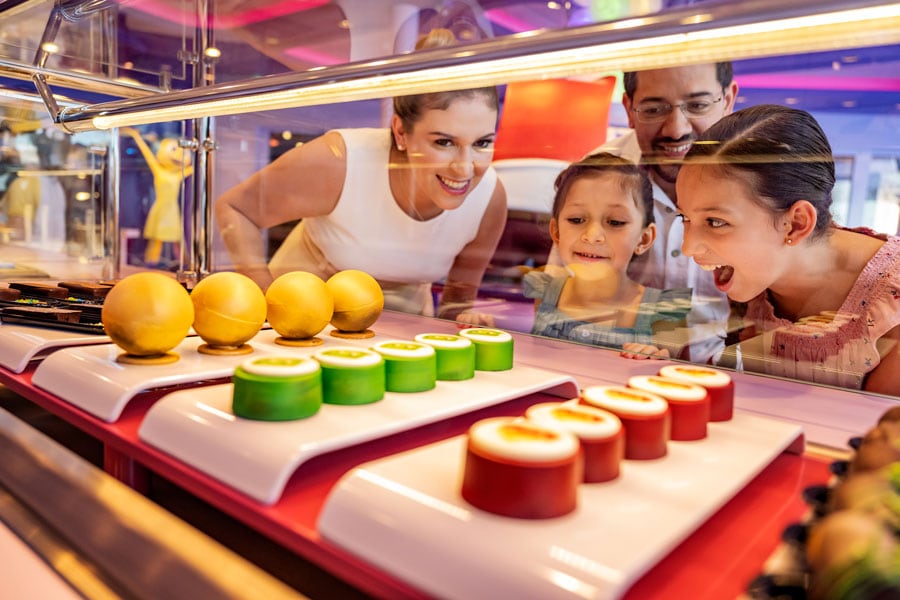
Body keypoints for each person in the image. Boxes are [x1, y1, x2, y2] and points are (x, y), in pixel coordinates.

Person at [214, 29, 507, 321]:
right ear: (401, 132)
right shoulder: (340, 160)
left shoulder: (489, 198)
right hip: (302, 315)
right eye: (444, 142)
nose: (465, 168)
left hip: (399, 332)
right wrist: (268, 304)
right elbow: (237, 210)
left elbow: (456, 303)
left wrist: (466, 318)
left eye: (482, 143)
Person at [677, 104, 900, 396]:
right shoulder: (750, 277)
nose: (688, 247)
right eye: (685, 218)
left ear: (795, 223)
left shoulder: (892, 304)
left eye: (716, 222)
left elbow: (879, 435)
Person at [523, 153, 691, 359]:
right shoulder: (544, 291)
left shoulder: (665, 313)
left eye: (615, 222)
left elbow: (681, 378)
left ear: (644, 239)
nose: (592, 236)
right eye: (576, 219)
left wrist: (657, 359)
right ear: (556, 232)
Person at [122, 127, 193, 266]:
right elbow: (147, 154)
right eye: (174, 149)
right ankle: (151, 264)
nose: (179, 154)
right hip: (160, 209)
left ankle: (186, 265)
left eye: (182, 151)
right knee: (157, 240)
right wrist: (136, 136)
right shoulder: (159, 171)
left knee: (177, 240)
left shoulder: (178, 174)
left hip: (172, 210)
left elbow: (197, 166)